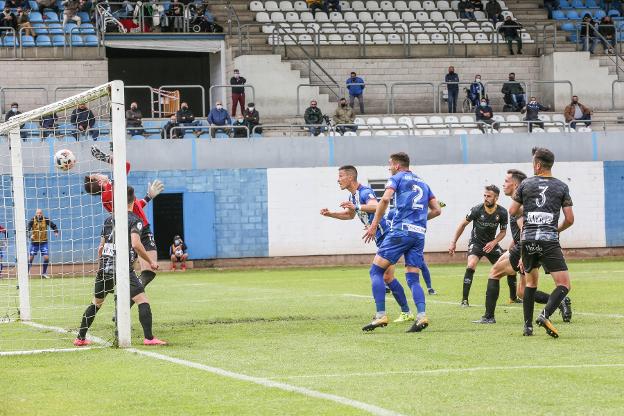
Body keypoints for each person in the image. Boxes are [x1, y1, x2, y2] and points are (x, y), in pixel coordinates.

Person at [473, 169, 572, 324]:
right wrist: (510, 248)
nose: (503, 184)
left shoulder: (521, 205)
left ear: (515, 185)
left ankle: (489, 316)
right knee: (522, 292)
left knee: (494, 272)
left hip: (527, 246)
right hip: (532, 245)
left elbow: (524, 228)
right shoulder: (524, 201)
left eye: (506, 181)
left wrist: (521, 255)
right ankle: (560, 301)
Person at [73, 186, 167, 347]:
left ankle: (80, 338)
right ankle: (149, 338)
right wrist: (150, 261)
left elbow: (100, 248)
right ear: (133, 200)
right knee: (142, 300)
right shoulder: (134, 220)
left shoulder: (109, 220)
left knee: (96, 303)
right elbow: (137, 244)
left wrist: (101, 266)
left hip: (105, 268)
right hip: (122, 268)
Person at [320, 166, 415, 323]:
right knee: (388, 276)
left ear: (351, 178)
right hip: (382, 238)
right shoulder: (353, 197)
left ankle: (384, 314)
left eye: (341, 176)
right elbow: (350, 215)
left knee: (381, 274)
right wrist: (331, 214)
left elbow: (377, 207)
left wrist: (357, 207)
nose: (338, 179)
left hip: (387, 236)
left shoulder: (364, 192)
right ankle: (406, 312)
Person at [362, 153, 442, 333]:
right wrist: (420, 221)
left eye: (390, 164)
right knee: (413, 277)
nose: (389, 167)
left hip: (400, 231)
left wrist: (374, 225)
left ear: (397, 165)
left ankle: (380, 315)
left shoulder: (396, 178)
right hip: (419, 234)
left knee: (376, 270)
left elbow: (384, 199)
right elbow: (437, 210)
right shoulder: (423, 183)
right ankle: (421, 316)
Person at [509, 147, 575, 337]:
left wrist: (529, 215)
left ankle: (527, 327)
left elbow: (512, 211)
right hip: (549, 241)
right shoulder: (562, 187)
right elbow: (570, 219)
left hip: (528, 240)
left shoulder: (525, 184)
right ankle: (545, 315)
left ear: (537, 165)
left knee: (530, 283)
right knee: (563, 284)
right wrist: (556, 228)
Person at [85, 146, 164, 291]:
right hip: (139, 229)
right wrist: (105, 158)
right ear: (100, 182)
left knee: (136, 273)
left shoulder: (108, 194)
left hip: (134, 228)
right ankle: (125, 302)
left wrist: (148, 197)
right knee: (146, 272)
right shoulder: (110, 189)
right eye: (97, 175)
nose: (99, 174)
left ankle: (122, 302)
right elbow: (125, 165)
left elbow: (134, 206)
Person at [448, 185, 509, 307]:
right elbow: (462, 225)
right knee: (471, 265)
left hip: (491, 244)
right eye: (484, 195)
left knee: (509, 267)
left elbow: (503, 232)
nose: (486, 198)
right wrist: (453, 242)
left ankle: (514, 297)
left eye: (489, 196)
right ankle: (464, 300)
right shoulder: (477, 209)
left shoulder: (502, 212)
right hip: (476, 243)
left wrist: (494, 242)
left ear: (496, 198)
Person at [27, 209, 59, 279]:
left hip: (43, 242)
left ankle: (44, 273)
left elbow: (53, 225)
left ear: (42, 214)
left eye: (40, 213)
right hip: (34, 242)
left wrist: (56, 232)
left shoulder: (46, 219)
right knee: (30, 258)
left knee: (46, 258)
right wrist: (30, 235)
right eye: (38, 213)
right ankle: (26, 273)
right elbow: (27, 229)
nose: (39, 214)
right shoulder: (32, 220)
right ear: (36, 214)